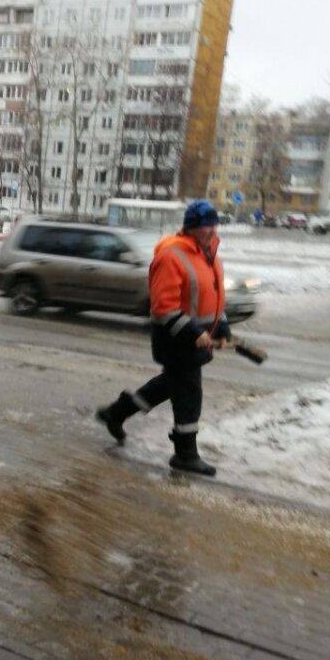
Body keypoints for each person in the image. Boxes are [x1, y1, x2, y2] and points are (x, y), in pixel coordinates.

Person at [96, 198, 231, 477]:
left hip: (196, 339)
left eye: (213, 226)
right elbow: (163, 306)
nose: (209, 231)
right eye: (203, 227)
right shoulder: (171, 256)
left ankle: (117, 413)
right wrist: (195, 333)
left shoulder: (209, 255)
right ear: (190, 228)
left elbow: (213, 297)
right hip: (176, 340)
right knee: (189, 395)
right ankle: (185, 454)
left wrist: (222, 325)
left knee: (168, 386)